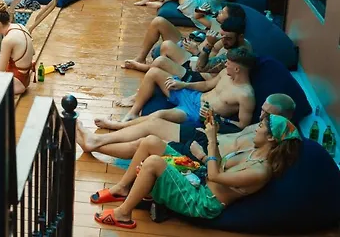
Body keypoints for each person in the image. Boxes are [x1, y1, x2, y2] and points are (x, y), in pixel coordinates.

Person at [91, 113, 301, 229]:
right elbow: (219, 165)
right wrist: (204, 155)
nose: (256, 128)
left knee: (154, 162)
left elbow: (216, 176)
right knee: (151, 142)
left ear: (271, 138)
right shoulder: (251, 151)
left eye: (261, 127)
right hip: (200, 177)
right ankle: (122, 188)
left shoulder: (260, 171)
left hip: (202, 199)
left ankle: (123, 214)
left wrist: (211, 140)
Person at [76, 93, 296, 161]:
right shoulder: (263, 126)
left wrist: (204, 156)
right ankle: (97, 140)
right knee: (154, 122)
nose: (261, 115)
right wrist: (214, 123)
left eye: (267, 114)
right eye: (262, 110)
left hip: (204, 151)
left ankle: (94, 144)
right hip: (205, 137)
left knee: (145, 144)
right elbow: (235, 132)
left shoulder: (273, 141)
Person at [97, 46, 256, 126]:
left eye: (228, 63)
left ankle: (117, 126)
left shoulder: (245, 95)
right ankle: (133, 112)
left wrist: (215, 118)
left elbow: (243, 125)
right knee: (154, 72)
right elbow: (207, 84)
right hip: (194, 96)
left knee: (159, 115)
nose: (225, 64)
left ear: (237, 69)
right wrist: (183, 84)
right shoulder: (225, 74)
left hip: (196, 114)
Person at [118, 17, 251, 107]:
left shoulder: (238, 54)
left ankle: (140, 94)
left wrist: (208, 45)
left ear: (240, 36)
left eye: (228, 38)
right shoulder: (230, 40)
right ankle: (149, 78)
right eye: (223, 36)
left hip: (201, 77)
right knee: (166, 47)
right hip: (198, 64)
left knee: (160, 62)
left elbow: (201, 67)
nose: (224, 40)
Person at [125, 2, 245, 66]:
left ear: (230, 19)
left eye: (222, 12)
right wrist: (200, 10)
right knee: (158, 21)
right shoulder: (216, 23)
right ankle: (140, 59)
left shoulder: (226, 38)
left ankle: (148, 68)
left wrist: (196, 51)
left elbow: (209, 63)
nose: (219, 12)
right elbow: (198, 17)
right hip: (189, 47)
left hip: (193, 57)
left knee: (166, 45)